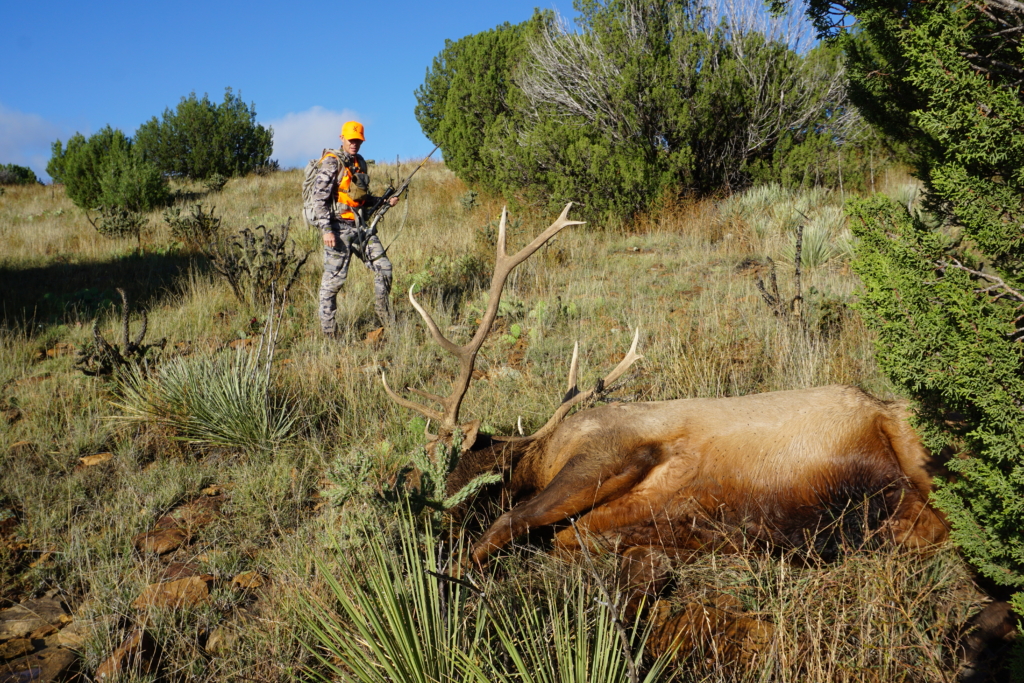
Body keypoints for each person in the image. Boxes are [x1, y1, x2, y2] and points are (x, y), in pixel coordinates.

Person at [310, 121, 399, 335]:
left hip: (361, 229)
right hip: (337, 230)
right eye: (351, 140)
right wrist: (326, 230)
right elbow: (318, 198)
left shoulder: (360, 163)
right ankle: (329, 333)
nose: (355, 144)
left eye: (358, 140)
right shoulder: (332, 162)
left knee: (384, 268)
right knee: (333, 283)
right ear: (342, 138)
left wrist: (384, 201)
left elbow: (359, 198)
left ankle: (385, 316)